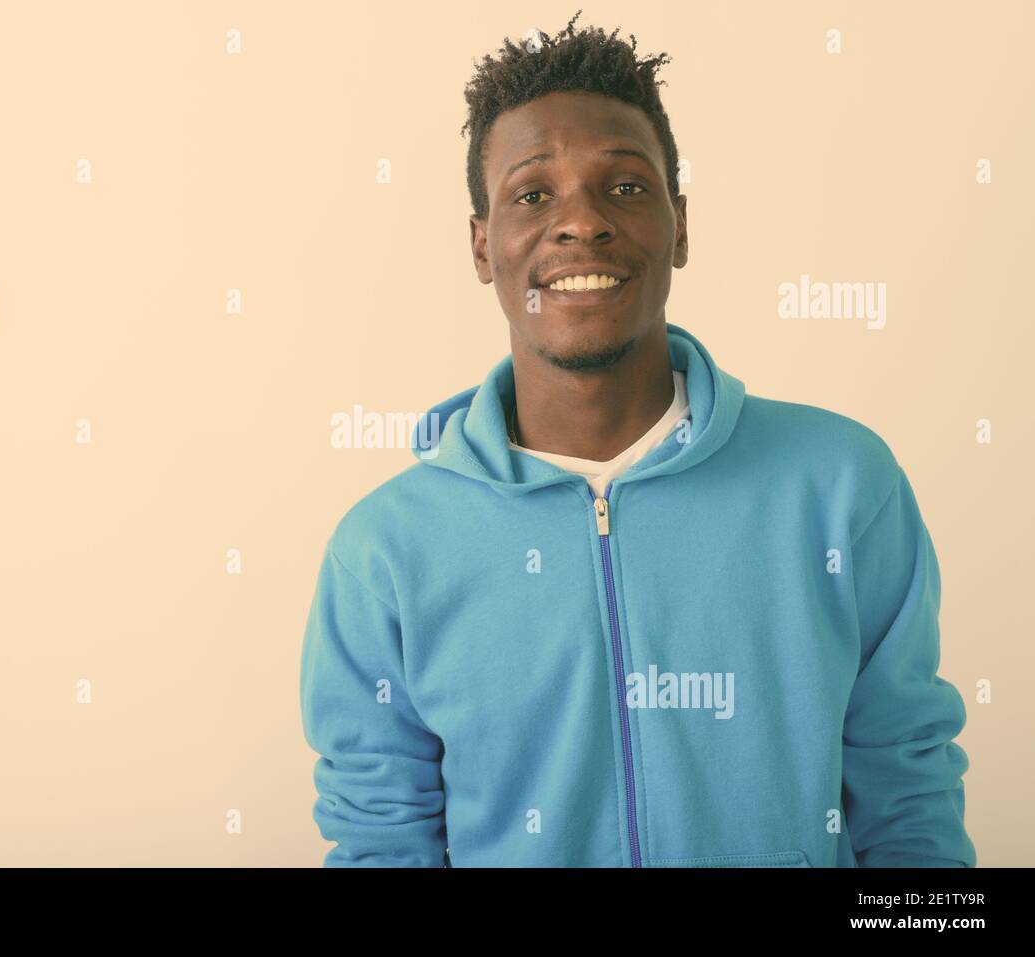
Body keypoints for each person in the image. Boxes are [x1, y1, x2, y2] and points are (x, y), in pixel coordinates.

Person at [298, 12, 976, 867]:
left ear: (680, 225)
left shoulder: (841, 486)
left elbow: (909, 800)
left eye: (623, 186)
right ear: (482, 245)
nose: (580, 223)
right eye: (533, 194)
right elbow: (381, 838)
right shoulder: (383, 552)